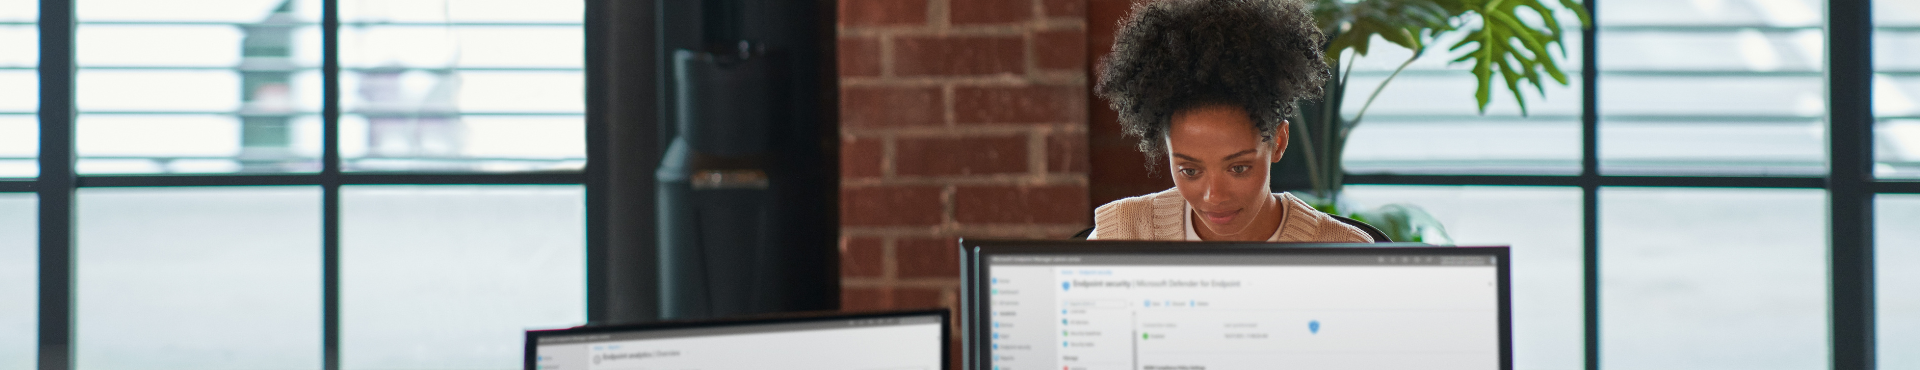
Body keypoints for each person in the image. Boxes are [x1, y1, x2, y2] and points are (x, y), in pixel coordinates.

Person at [1088, 0, 1370, 242]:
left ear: (1279, 141)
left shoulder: (1344, 251)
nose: (1214, 196)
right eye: (1189, 171)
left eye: (1238, 168)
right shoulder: (1121, 234)